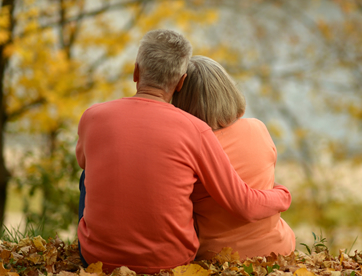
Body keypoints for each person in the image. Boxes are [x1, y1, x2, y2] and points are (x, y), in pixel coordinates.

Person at [76, 30, 292, 274]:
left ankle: (103, 241)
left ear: (136, 71)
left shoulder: (92, 116)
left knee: (87, 175)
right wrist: (283, 194)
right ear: (180, 82)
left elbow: (84, 161)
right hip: (170, 262)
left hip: (96, 259)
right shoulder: (197, 130)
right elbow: (242, 201)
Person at [172, 56, 296, 260]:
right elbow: (261, 181)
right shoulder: (258, 128)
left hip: (219, 258)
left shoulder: (188, 148)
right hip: (278, 250)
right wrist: (282, 193)